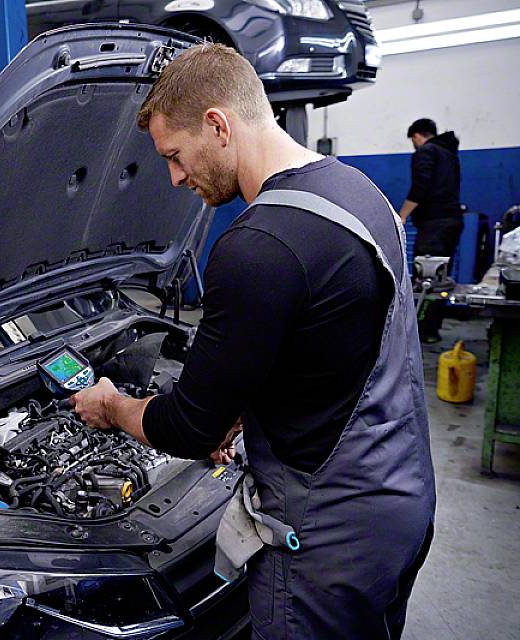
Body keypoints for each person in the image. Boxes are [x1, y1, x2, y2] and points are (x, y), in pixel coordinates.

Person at [71, 43, 436, 639]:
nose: (175, 177)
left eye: (174, 155)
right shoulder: (359, 192)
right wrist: (246, 407)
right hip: (403, 498)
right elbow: (337, 341)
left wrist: (111, 406)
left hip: (325, 540)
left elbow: (188, 429)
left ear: (218, 126)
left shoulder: (257, 246)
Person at [398, 118, 463, 257]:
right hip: (452, 220)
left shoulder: (426, 151)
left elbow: (420, 186)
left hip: (434, 222)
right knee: (441, 267)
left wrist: (402, 216)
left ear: (416, 136)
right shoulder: (449, 154)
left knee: (426, 266)